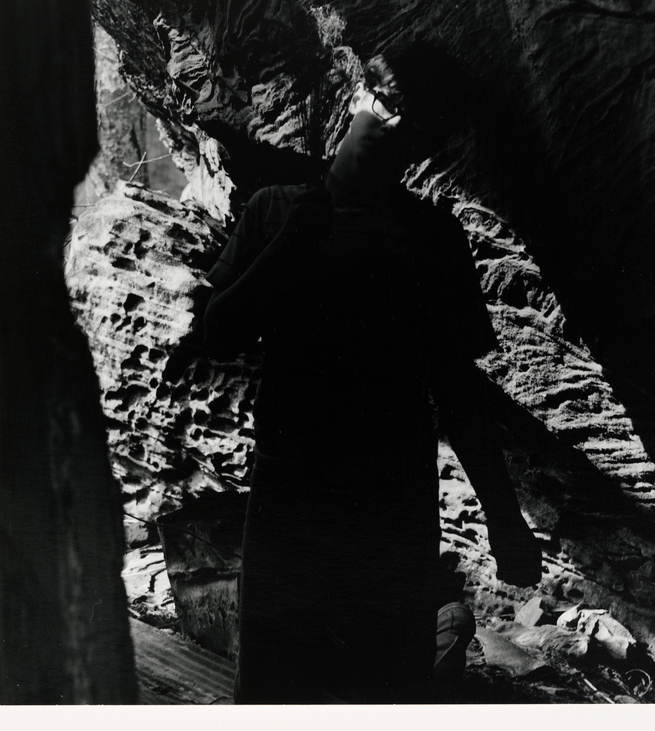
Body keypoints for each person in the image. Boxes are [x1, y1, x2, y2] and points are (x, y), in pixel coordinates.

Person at [203, 42, 541, 704]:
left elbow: (459, 390)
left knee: (385, 689)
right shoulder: (274, 210)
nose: (392, 125)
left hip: (391, 504)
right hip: (291, 496)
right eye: (387, 102)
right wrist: (286, 248)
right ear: (358, 94)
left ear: (426, 145)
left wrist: (504, 517)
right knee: (275, 688)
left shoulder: (433, 239)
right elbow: (218, 334)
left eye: (417, 122)